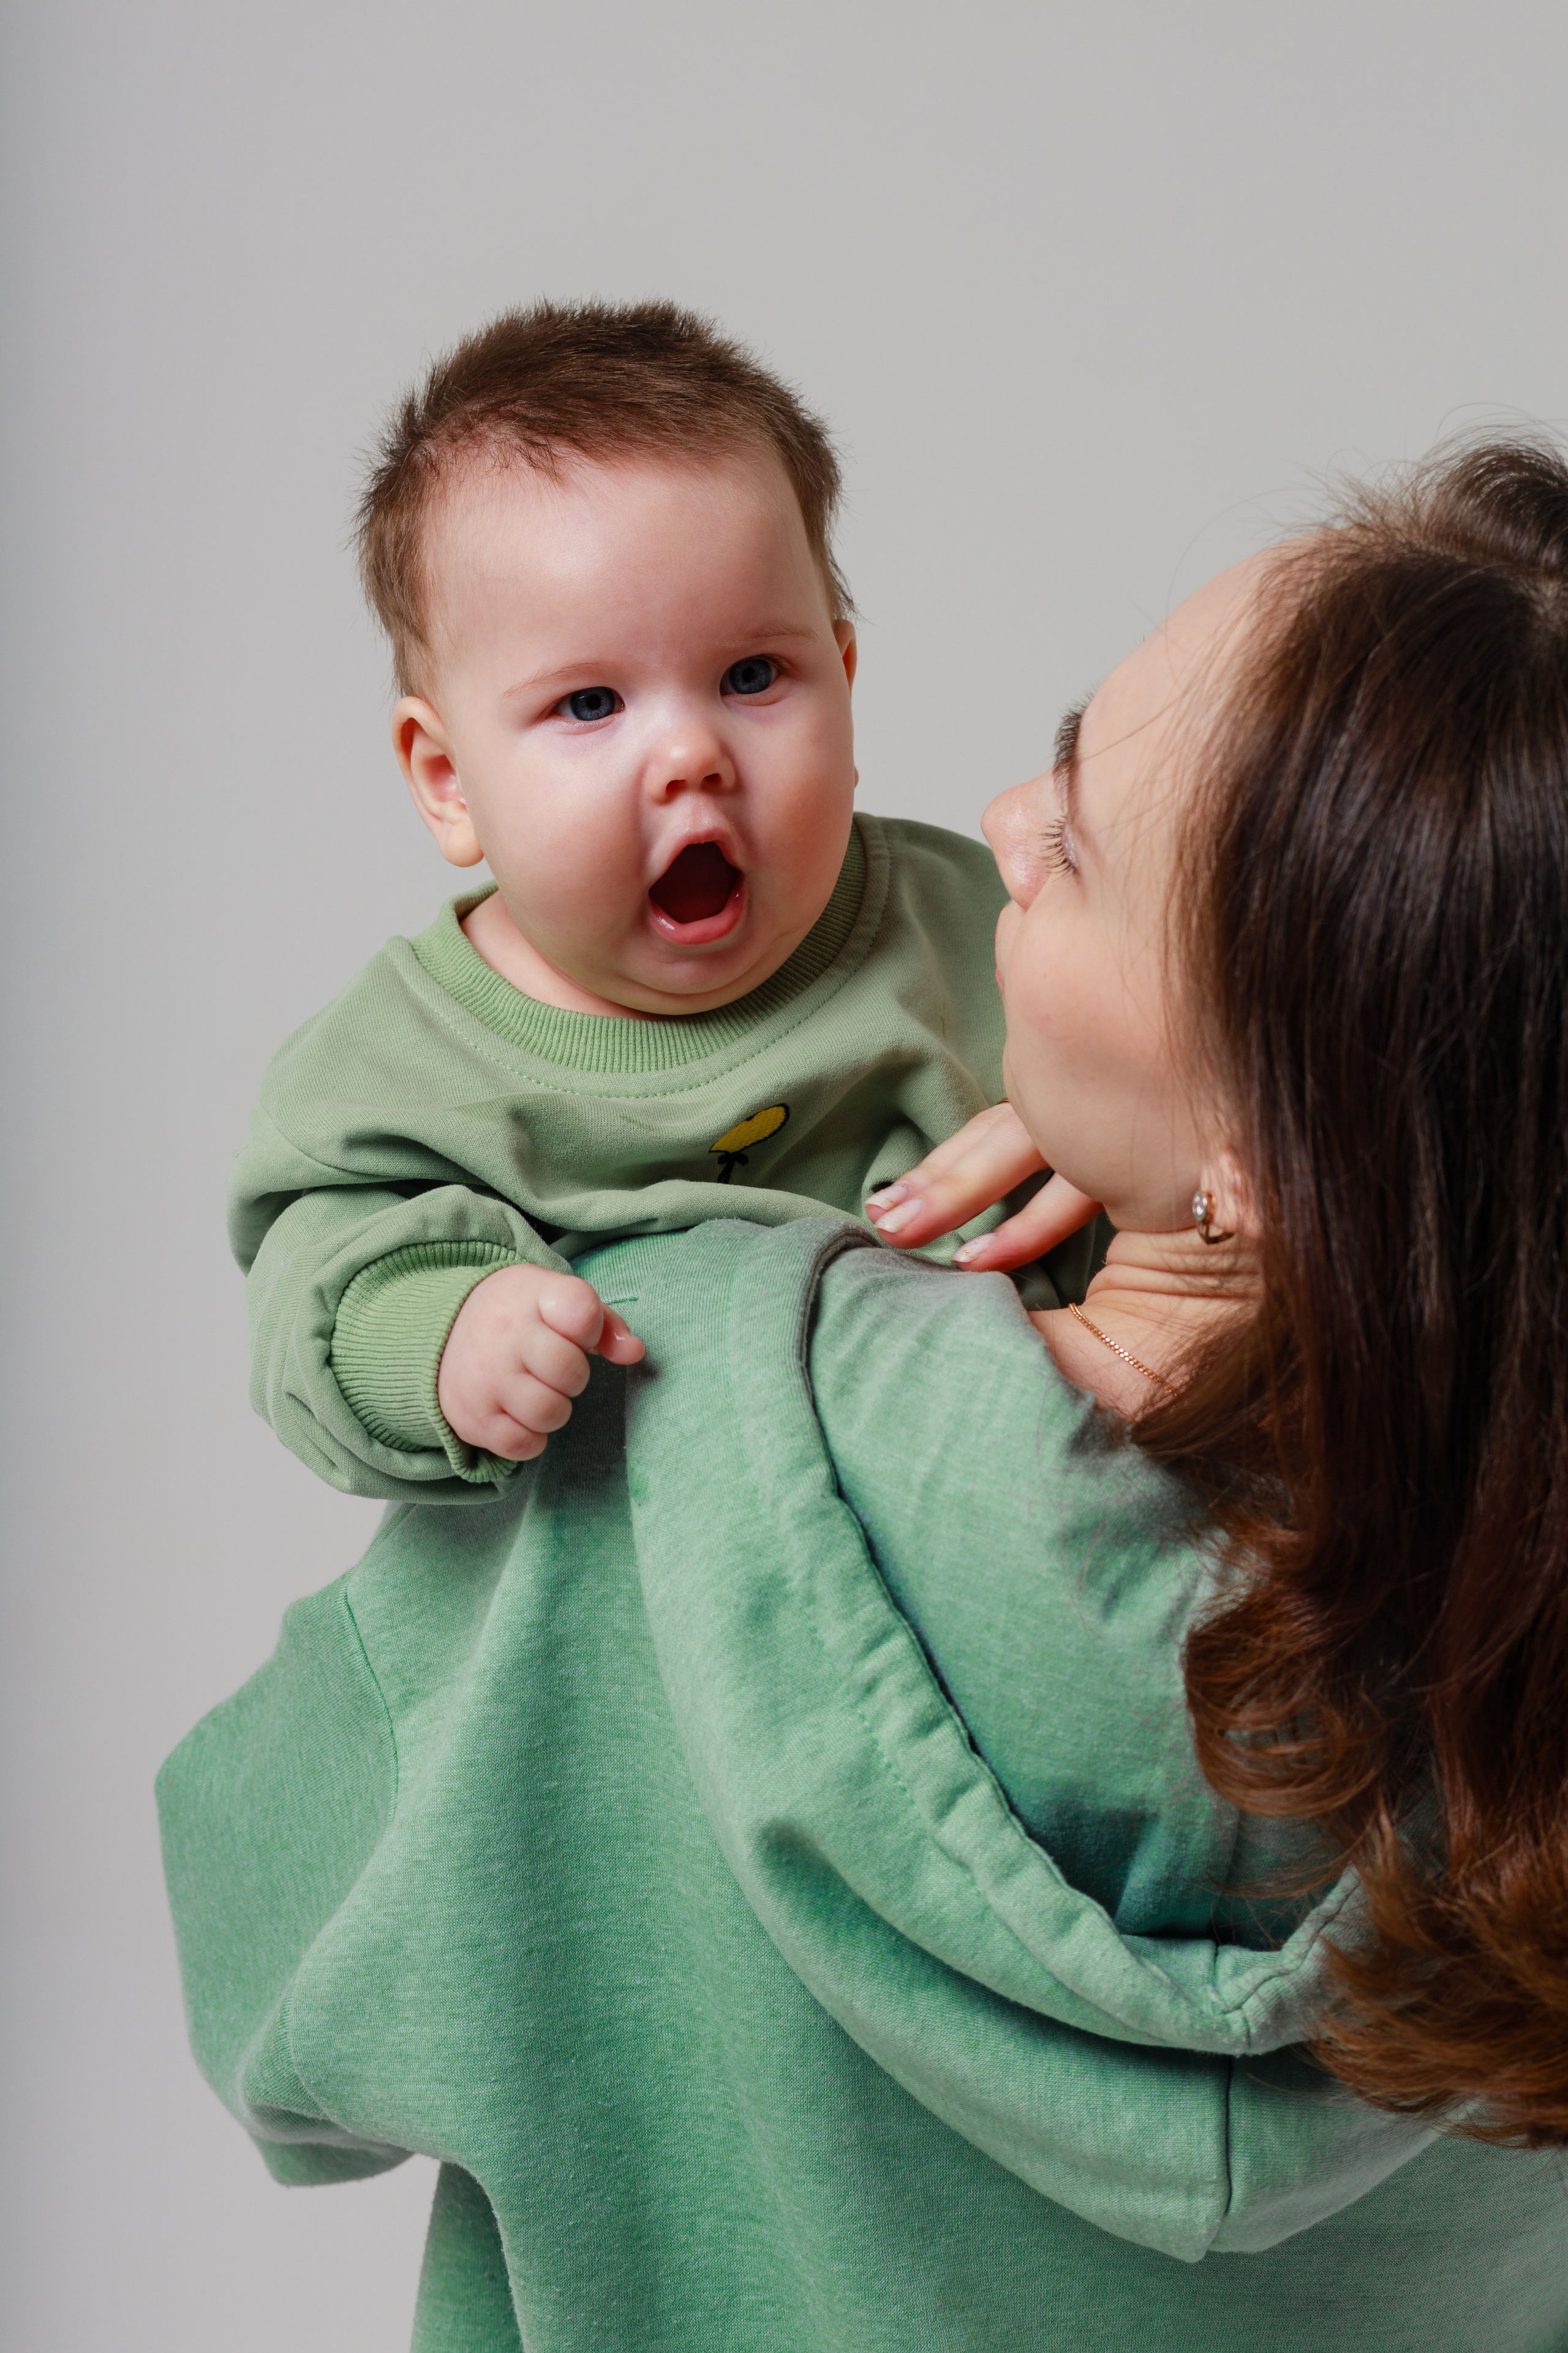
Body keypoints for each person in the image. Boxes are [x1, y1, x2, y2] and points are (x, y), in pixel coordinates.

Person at [159, 439, 1568, 2350]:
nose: (993, 817)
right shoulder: (1524, 1629)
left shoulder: (650, 1426)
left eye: (1075, 842)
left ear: (1259, 1139)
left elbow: (269, 1989)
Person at [234, 298, 1097, 1505]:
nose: (689, 754)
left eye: (752, 676)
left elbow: (1181, 1154)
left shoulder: (979, 933)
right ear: (448, 782)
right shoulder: (400, 1069)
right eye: (589, 704)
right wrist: (445, 1333)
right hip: (635, 1625)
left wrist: (1135, 1146)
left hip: (982, 1551)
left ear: (842, 681)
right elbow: (316, 1298)